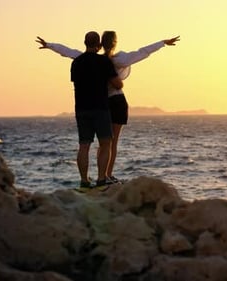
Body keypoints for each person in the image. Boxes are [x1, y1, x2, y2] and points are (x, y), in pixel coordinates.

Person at [36, 33, 179, 183]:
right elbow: (142, 52)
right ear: (111, 43)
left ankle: (90, 179)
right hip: (109, 103)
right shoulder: (115, 60)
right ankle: (105, 176)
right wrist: (162, 43)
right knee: (109, 143)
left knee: (89, 144)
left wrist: (49, 45)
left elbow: (68, 51)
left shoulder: (83, 60)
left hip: (91, 105)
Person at [70, 31, 123, 190]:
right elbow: (117, 84)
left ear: (84, 42)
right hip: (100, 107)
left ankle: (84, 181)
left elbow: (75, 83)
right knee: (106, 143)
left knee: (84, 145)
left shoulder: (76, 63)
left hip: (81, 108)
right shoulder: (103, 62)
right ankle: (101, 180)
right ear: (99, 45)